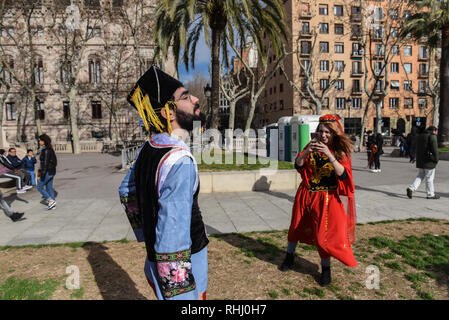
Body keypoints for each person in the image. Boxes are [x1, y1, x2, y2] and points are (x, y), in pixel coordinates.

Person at [118, 65, 209, 300]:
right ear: (168, 113)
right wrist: (181, 294)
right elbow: (172, 236)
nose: (196, 99)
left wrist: (145, 233)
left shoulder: (148, 147)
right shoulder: (179, 161)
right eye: (186, 97)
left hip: (153, 258)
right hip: (185, 264)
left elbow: (126, 190)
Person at [280, 114, 357, 287]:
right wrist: (308, 150)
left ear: (334, 133)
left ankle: (326, 270)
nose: (323, 135)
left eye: (327, 132)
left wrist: (329, 155)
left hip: (328, 199)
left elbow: (343, 174)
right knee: (295, 227)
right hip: (306, 194)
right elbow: (298, 164)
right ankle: (289, 257)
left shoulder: (340, 152)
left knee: (324, 236)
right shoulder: (311, 146)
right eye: (321, 131)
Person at [406, 126, 440, 200]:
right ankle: (430, 194)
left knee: (420, 175)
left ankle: (411, 188)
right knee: (429, 178)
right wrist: (436, 159)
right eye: (436, 131)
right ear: (434, 131)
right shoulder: (432, 137)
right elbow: (435, 150)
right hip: (429, 161)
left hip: (421, 160)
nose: (437, 133)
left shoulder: (420, 136)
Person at [37, 134, 57, 210]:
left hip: (47, 172)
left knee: (39, 187)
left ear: (44, 141)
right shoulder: (49, 149)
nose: (39, 142)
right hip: (51, 171)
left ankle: (50, 201)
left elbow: (45, 163)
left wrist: (42, 174)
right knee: (49, 187)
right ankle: (53, 204)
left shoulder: (45, 150)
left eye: (40, 141)